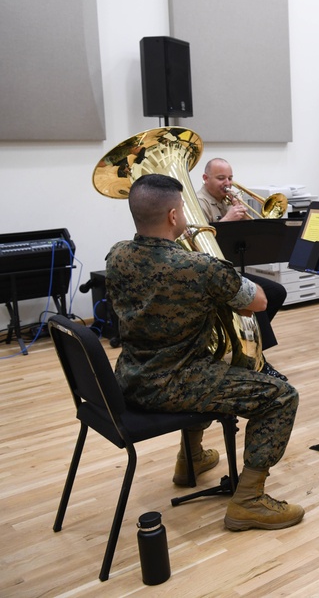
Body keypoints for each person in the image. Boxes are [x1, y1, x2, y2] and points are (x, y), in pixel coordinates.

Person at [106, 174, 303, 531]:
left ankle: (191, 460)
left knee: (212, 361)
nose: (184, 213)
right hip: (172, 384)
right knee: (281, 396)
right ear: (172, 216)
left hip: (129, 379)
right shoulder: (200, 268)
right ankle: (249, 501)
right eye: (181, 207)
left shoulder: (117, 255)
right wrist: (217, 275)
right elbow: (258, 300)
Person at [197, 157, 287, 380]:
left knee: (277, 292)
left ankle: (246, 340)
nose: (227, 183)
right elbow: (202, 244)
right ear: (205, 178)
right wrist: (227, 219)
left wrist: (244, 216)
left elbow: (247, 237)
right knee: (255, 296)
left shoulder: (229, 200)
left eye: (230, 177)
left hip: (229, 270)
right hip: (210, 274)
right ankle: (257, 361)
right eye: (221, 178)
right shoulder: (199, 202)